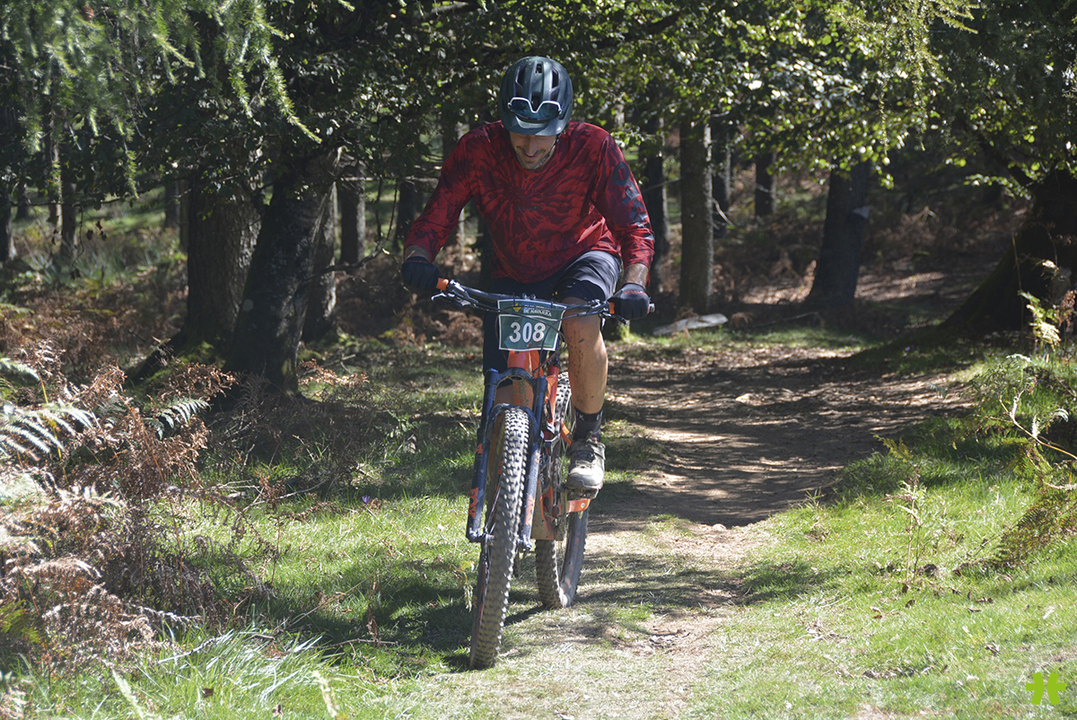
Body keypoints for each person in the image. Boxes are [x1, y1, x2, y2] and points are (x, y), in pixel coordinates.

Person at [400, 55, 654, 496]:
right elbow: (437, 215)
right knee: (504, 392)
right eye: (520, 131)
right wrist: (418, 258)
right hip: (515, 268)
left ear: (564, 125)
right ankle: (506, 505)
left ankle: (588, 440)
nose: (531, 146)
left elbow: (635, 225)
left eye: (543, 134)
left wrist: (634, 283)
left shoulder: (593, 147)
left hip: (585, 253)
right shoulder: (477, 150)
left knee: (579, 320)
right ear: (503, 119)